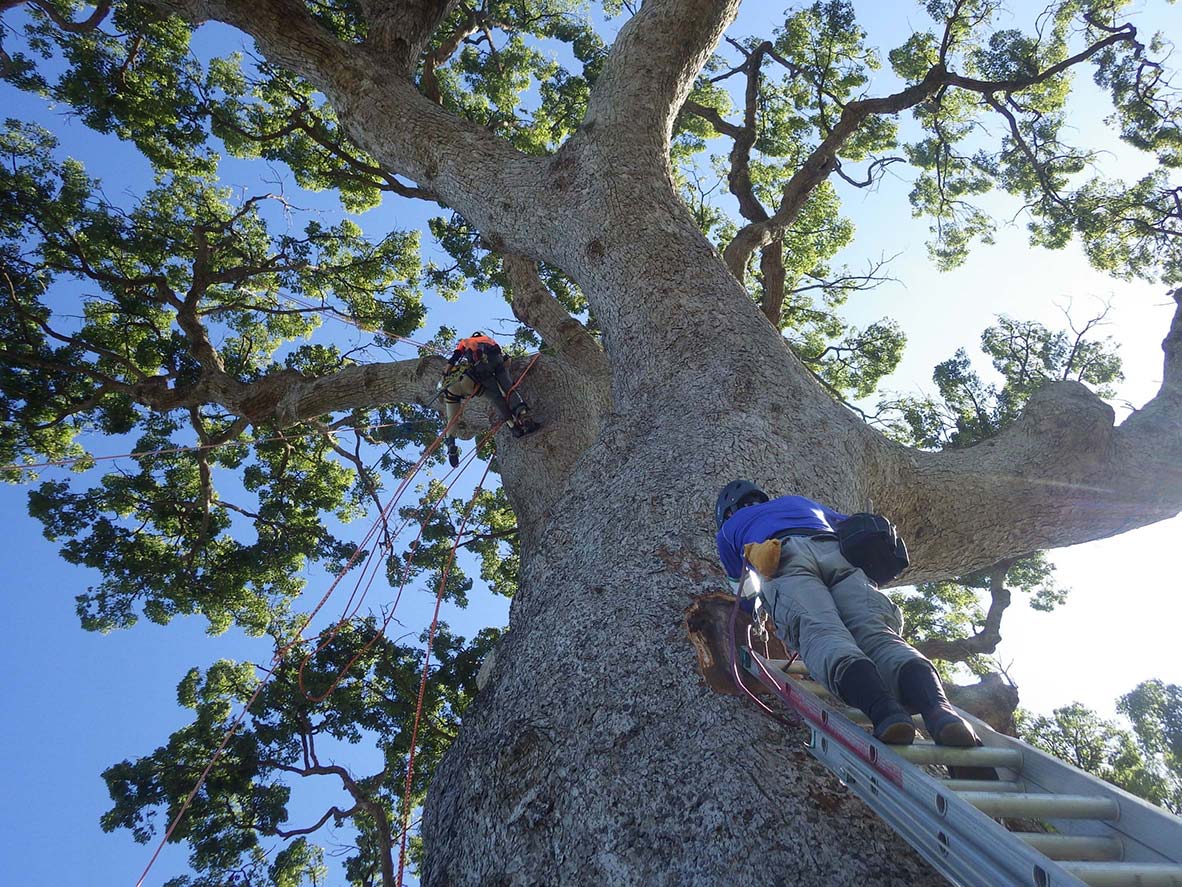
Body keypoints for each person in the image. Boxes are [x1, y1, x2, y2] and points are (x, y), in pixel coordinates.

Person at [715, 480, 978, 747]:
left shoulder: (728, 529)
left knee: (822, 634)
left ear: (728, 511)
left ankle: (886, 713)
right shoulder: (799, 502)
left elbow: (741, 587)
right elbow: (850, 524)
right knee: (880, 637)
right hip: (840, 557)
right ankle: (942, 713)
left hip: (784, 559)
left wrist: (755, 612)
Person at [439, 332, 539, 466]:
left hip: (475, 372)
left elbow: (456, 356)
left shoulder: (465, 341)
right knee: (508, 389)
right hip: (494, 361)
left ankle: (512, 426)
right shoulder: (489, 340)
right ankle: (523, 416)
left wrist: (448, 368)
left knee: (495, 397)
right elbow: (505, 360)